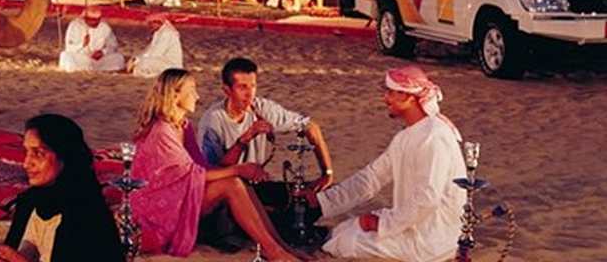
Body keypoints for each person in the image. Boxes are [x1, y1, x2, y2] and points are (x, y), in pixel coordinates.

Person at [129, 69, 304, 261]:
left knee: (237, 181)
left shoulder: (182, 125)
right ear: (175, 94)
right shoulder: (162, 131)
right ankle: (274, 252)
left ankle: (280, 246)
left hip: (180, 195)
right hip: (160, 209)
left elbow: (200, 166)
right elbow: (193, 174)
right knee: (232, 183)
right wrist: (238, 169)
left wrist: (241, 169)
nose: (197, 96)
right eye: (192, 90)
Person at [302, 66, 465, 262]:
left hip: (433, 237)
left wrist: (383, 223)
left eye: (390, 92)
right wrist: (323, 201)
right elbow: (372, 177)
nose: (385, 98)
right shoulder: (406, 137)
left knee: (345, 242)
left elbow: (427, 197)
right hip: (413, 223)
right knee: (342, 230)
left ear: (409, 97)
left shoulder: (434, 135)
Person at [196, 58, 333, 235]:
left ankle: (276, 224)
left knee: (320, 197)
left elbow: (310, 126)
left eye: (253, 86)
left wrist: (326, 174)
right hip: (229, 192)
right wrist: (245, 139)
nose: (249, 94)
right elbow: (214, 174)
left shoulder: (262, 108)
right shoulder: (213, 121)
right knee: (225, 225)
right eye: (242, 87)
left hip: (256, 187)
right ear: (227, 90)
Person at [0, 114, 123, 262]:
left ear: (65, 157)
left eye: (38, 154)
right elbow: (14, 254)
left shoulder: (87, 215)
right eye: (26, 152)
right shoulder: (28, 203)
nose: (26, 163)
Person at [58, 4, 125, 72]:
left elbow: (113, 46)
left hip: (99, 60)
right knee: (66, 56)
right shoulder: (75, 26)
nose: (95, 22)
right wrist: (82, 44)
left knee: (119, 58)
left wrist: (103, 52)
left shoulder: (104, 27)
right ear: (85, 18)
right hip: (82, 58)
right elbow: (69, 48)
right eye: (92, 20)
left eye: (97, 20)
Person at [129, 12, 183, 77]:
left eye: (152, 23)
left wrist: (137, 61)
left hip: (171, 65)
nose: (150, 25)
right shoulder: (158, 33)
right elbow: (149, 50)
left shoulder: (167, 33)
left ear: (158, 22)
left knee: (145, 63)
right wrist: (135, 59)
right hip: (161, 61)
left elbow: (157, 53)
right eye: (150, 23)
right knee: (141, 62)